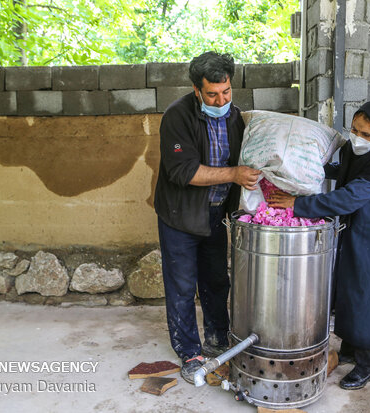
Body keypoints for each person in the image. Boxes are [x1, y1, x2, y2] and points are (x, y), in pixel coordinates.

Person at [267, 100, 370, 390]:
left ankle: (368, 365)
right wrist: (295, 162)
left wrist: (298, 204)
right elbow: (333, 169)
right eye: (354, 130)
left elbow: (345, 198)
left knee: (368, 295)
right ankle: (352, 349)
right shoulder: (354, 155)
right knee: (349, 289)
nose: (357, 138)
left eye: (366, 134)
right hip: (355, 230)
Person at [154, 51, 261, 384]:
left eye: (226, 91)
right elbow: (183, 171)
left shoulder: (234, 117)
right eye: (212, 94)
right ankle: (189, 351)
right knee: (183, 287)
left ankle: (217, 337)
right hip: (180, 217)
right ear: (196, 90)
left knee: (216, 281)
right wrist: (234, 174)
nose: (221, 99)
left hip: (214, 215)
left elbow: (249, 160)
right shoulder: (177, 116)